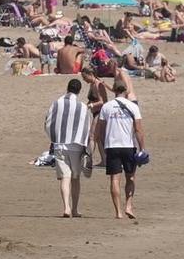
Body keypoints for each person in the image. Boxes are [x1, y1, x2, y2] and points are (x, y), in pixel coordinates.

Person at [93, 80, 145, 220]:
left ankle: (118, 212)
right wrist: (143, 148)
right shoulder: (133, 106)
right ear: (125, 90)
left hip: (112, 146)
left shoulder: (107, 107)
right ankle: (129, 205)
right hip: (128, 146)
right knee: (131, 177)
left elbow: (100, 129)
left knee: (115, 179)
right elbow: (138, 129)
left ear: (114, 90)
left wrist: (100, 144)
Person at [44, 77, 93, 217]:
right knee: (75, 178)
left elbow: (48, 122)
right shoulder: (82, 107)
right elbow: (86, 127)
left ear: (68, 88)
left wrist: (54, 138)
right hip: (76, 145)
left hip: (60, 144)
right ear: (79, 91)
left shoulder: (56, 103)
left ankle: (66, 207)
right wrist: (86, 146)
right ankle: (75, 209)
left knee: (65, 177)